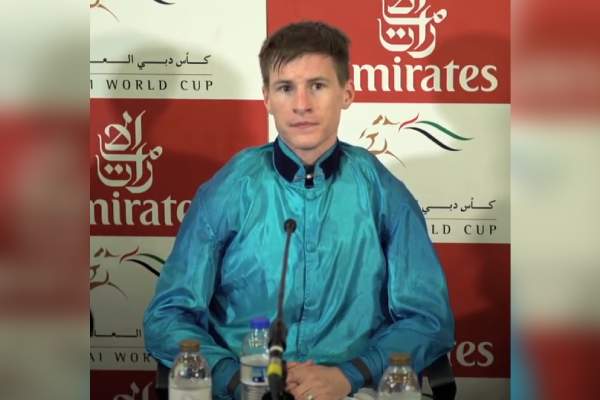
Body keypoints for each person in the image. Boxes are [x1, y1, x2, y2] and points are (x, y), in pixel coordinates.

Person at [143, 21, 454, 400]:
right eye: (286, 87)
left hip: (352, 389)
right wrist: (234, 378)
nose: (302, 104)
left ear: (347, 93)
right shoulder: (229, 189)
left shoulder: (382, 192)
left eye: (317, 86)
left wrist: (349, 375)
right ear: (266, 98)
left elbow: (427, 319)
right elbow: (169, 315)